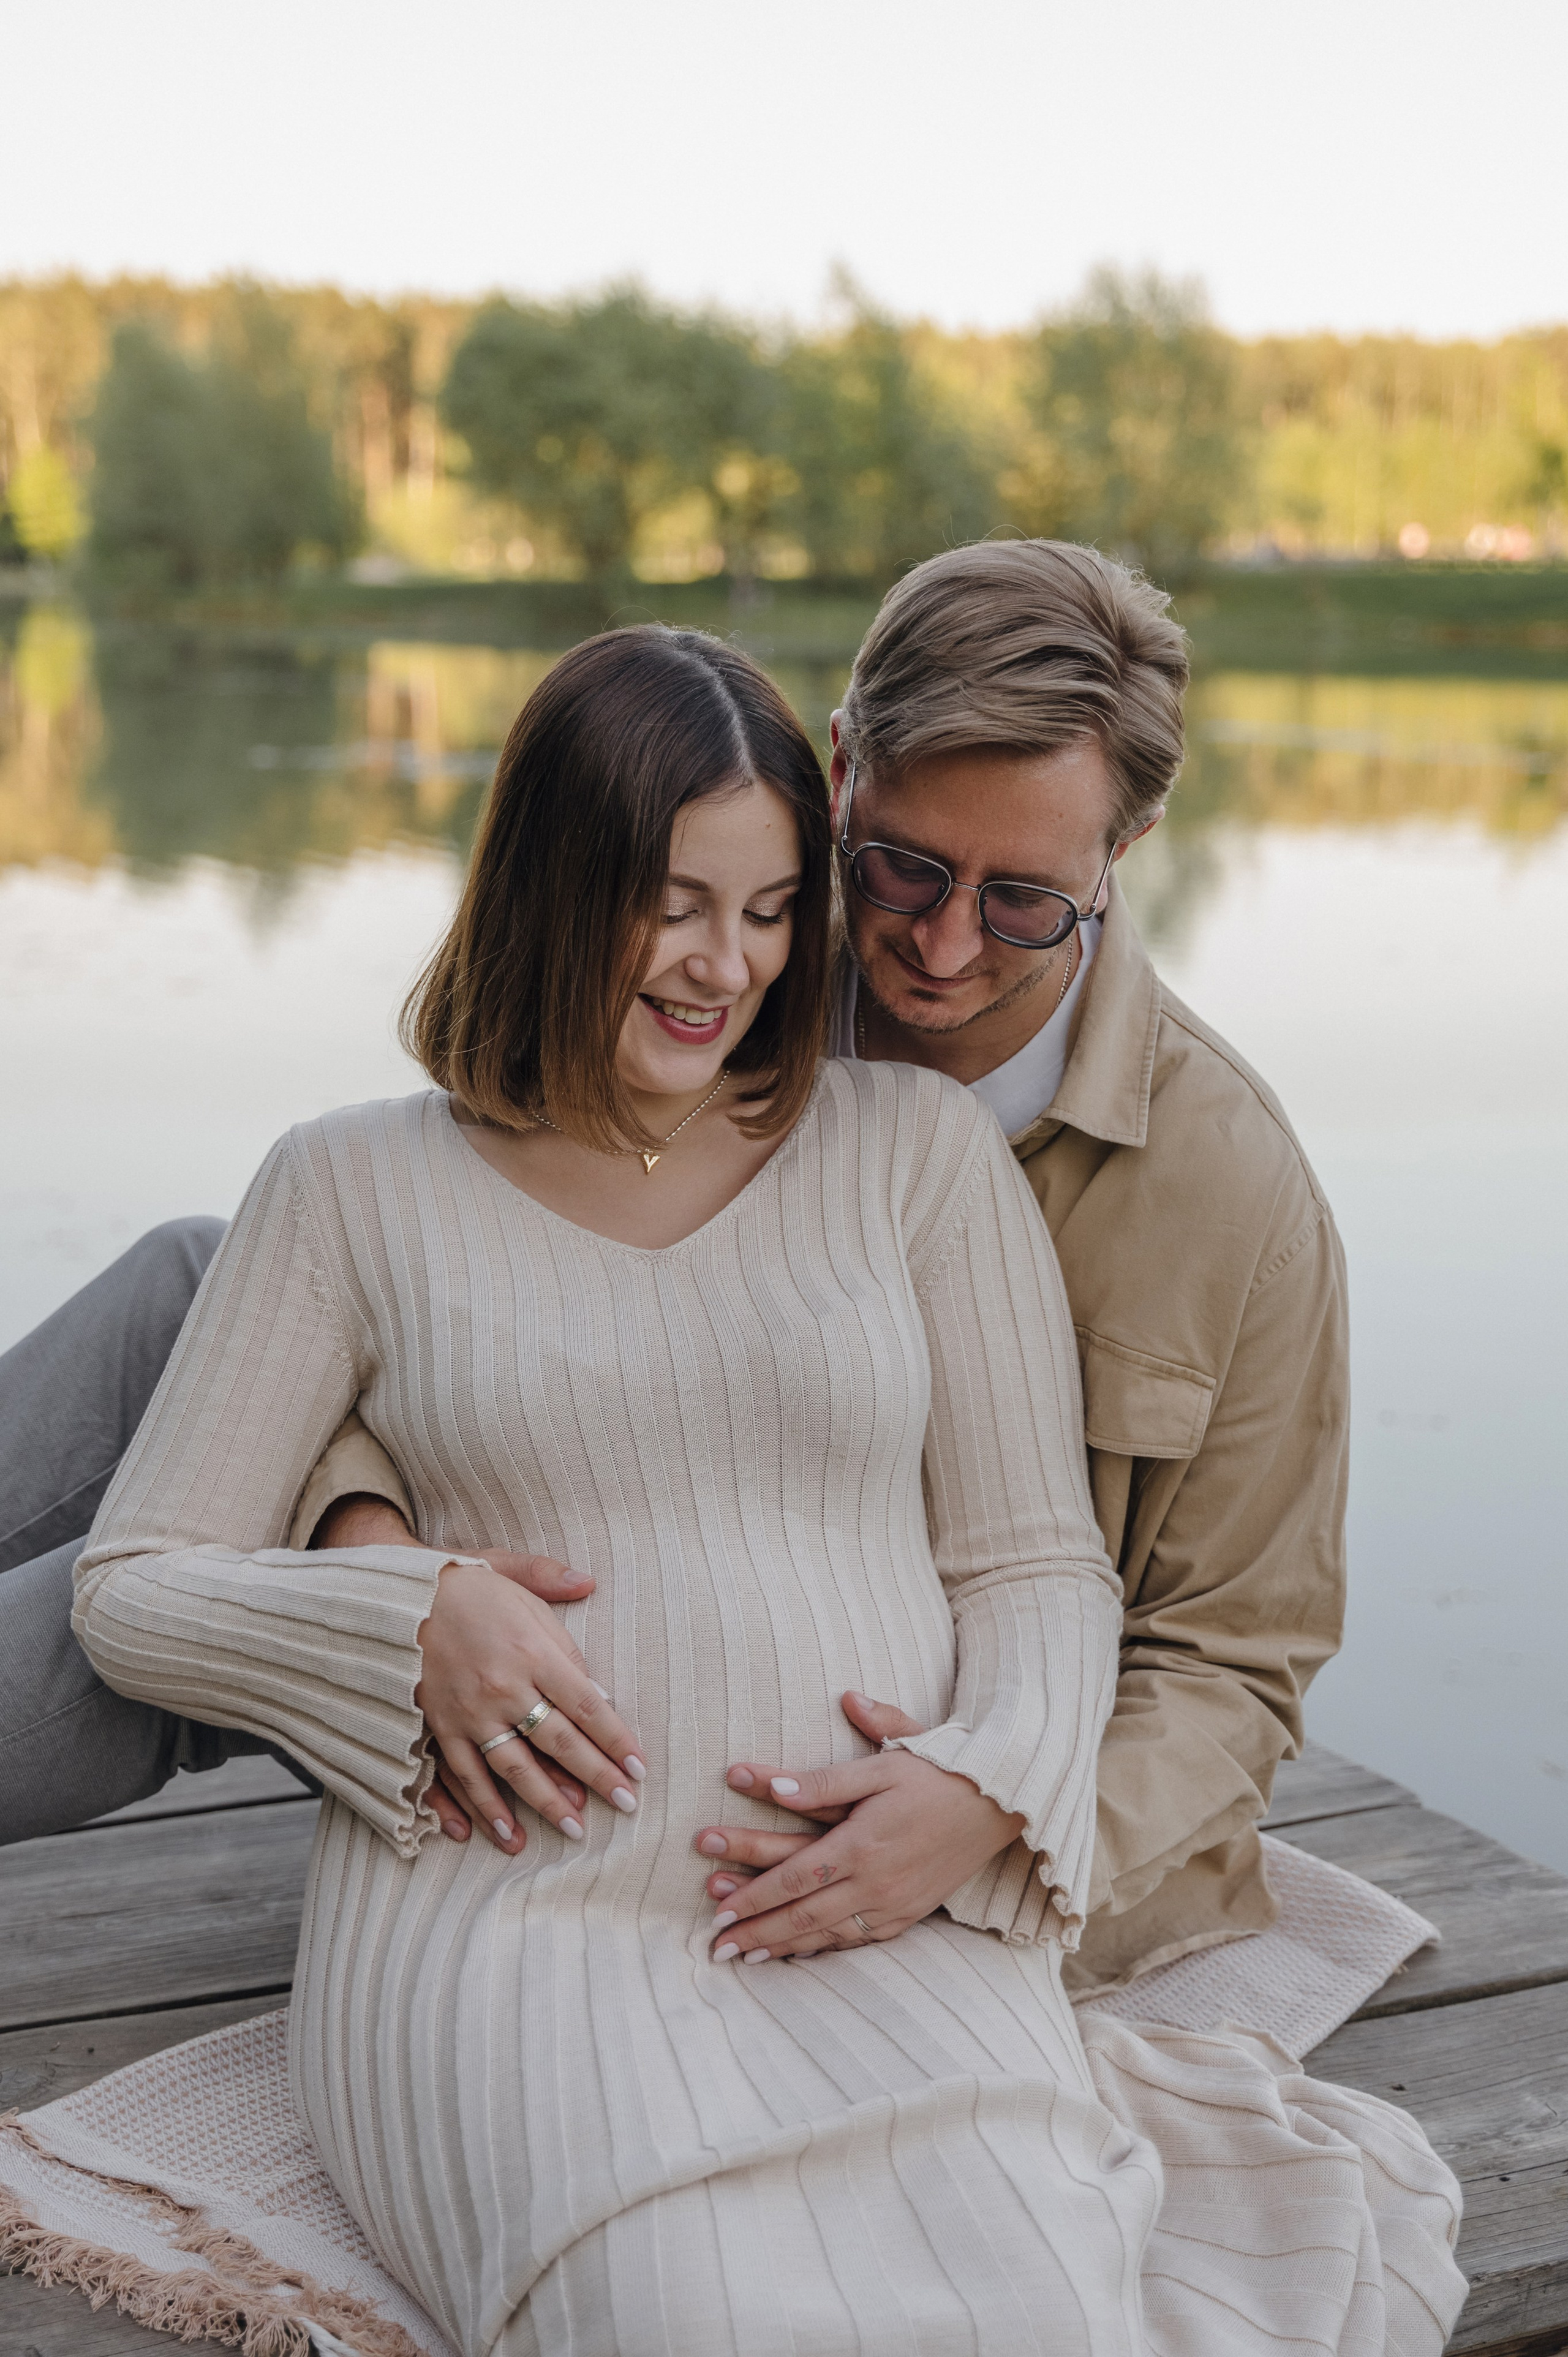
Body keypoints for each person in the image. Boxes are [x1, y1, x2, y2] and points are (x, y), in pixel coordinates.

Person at [69, 624, 1461, 2356]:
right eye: (673, 899)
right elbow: (130, 1585)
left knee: (1033, 2296)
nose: (722, 965)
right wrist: (402, 1604)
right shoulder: (350, 1184)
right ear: (550, 883)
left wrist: (990, 1791)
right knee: (679, 2312)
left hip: (889, 1901)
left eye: (770, 908)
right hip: (518, 1925)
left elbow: (1038, 1561)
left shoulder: (916, 1153)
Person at [311, 540, 1350, 1996]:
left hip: (972, 1891)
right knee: (199, 1294)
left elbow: (1234, 1664)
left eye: (1021, 901)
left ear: (1128, 847)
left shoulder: (1235, 1195)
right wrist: (372, 1557)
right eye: (901, 866)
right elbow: (430, 1282)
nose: (935, 947)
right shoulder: (704, 977)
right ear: (844, 765)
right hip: (574, 1814)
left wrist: (992, 1820)